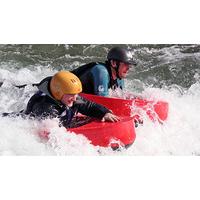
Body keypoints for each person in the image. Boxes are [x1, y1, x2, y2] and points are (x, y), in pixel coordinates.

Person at [24, 71, 120, 128]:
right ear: (58, 92)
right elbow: (49, 135)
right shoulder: (46, 108)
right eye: (71, 94)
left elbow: (88, 105)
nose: (75, 98)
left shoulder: (67, 98)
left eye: (76, 94)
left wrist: (104, 112)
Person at [71, 46, 137, 96]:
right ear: (114, 63)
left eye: (129, 65)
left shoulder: (119, 76)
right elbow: (103, 100)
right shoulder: (101, 71)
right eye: (125, 64)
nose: (128, 68)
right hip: (68, 95)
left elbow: (121, 97)